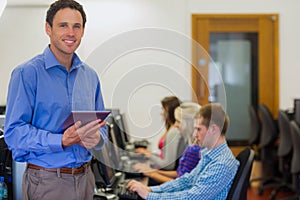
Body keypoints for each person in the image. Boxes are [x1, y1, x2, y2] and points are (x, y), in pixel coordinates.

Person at [4, 1, 107, 199]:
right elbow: (13, 132)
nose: (71, 32)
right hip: (47, 182)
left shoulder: (90, 76)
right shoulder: (27, 73)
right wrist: (60, 140)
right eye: (63, 25)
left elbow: (101, 125)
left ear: (83, 31)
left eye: (76, 26)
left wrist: (98, 138)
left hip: (86, 179)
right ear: (48, 28)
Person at [127, 103, 240, 200]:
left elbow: (192, 197)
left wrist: (149, 196)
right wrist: (151, 189)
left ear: (213, 129)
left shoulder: (222, 163)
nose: (195, 134)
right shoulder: (209, 155)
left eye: (198, 129)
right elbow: (186, 180)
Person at [133, 102, 202, 184]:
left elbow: (181, 184)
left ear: (188, 123)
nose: (175, 125)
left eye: (178, 121)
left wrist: (152, 174)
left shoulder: (194, 150)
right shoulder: (191, 144)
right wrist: (153, 172)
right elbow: (179, 173)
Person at [135, 96, 182, 170]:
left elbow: (168, 165)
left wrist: (149, 155)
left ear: (171, 111)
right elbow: (164, 156)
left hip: (164, 172)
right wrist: (149, 153)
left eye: (164, 110)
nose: (161, 113)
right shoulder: (170, 128)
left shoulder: (174, 131)